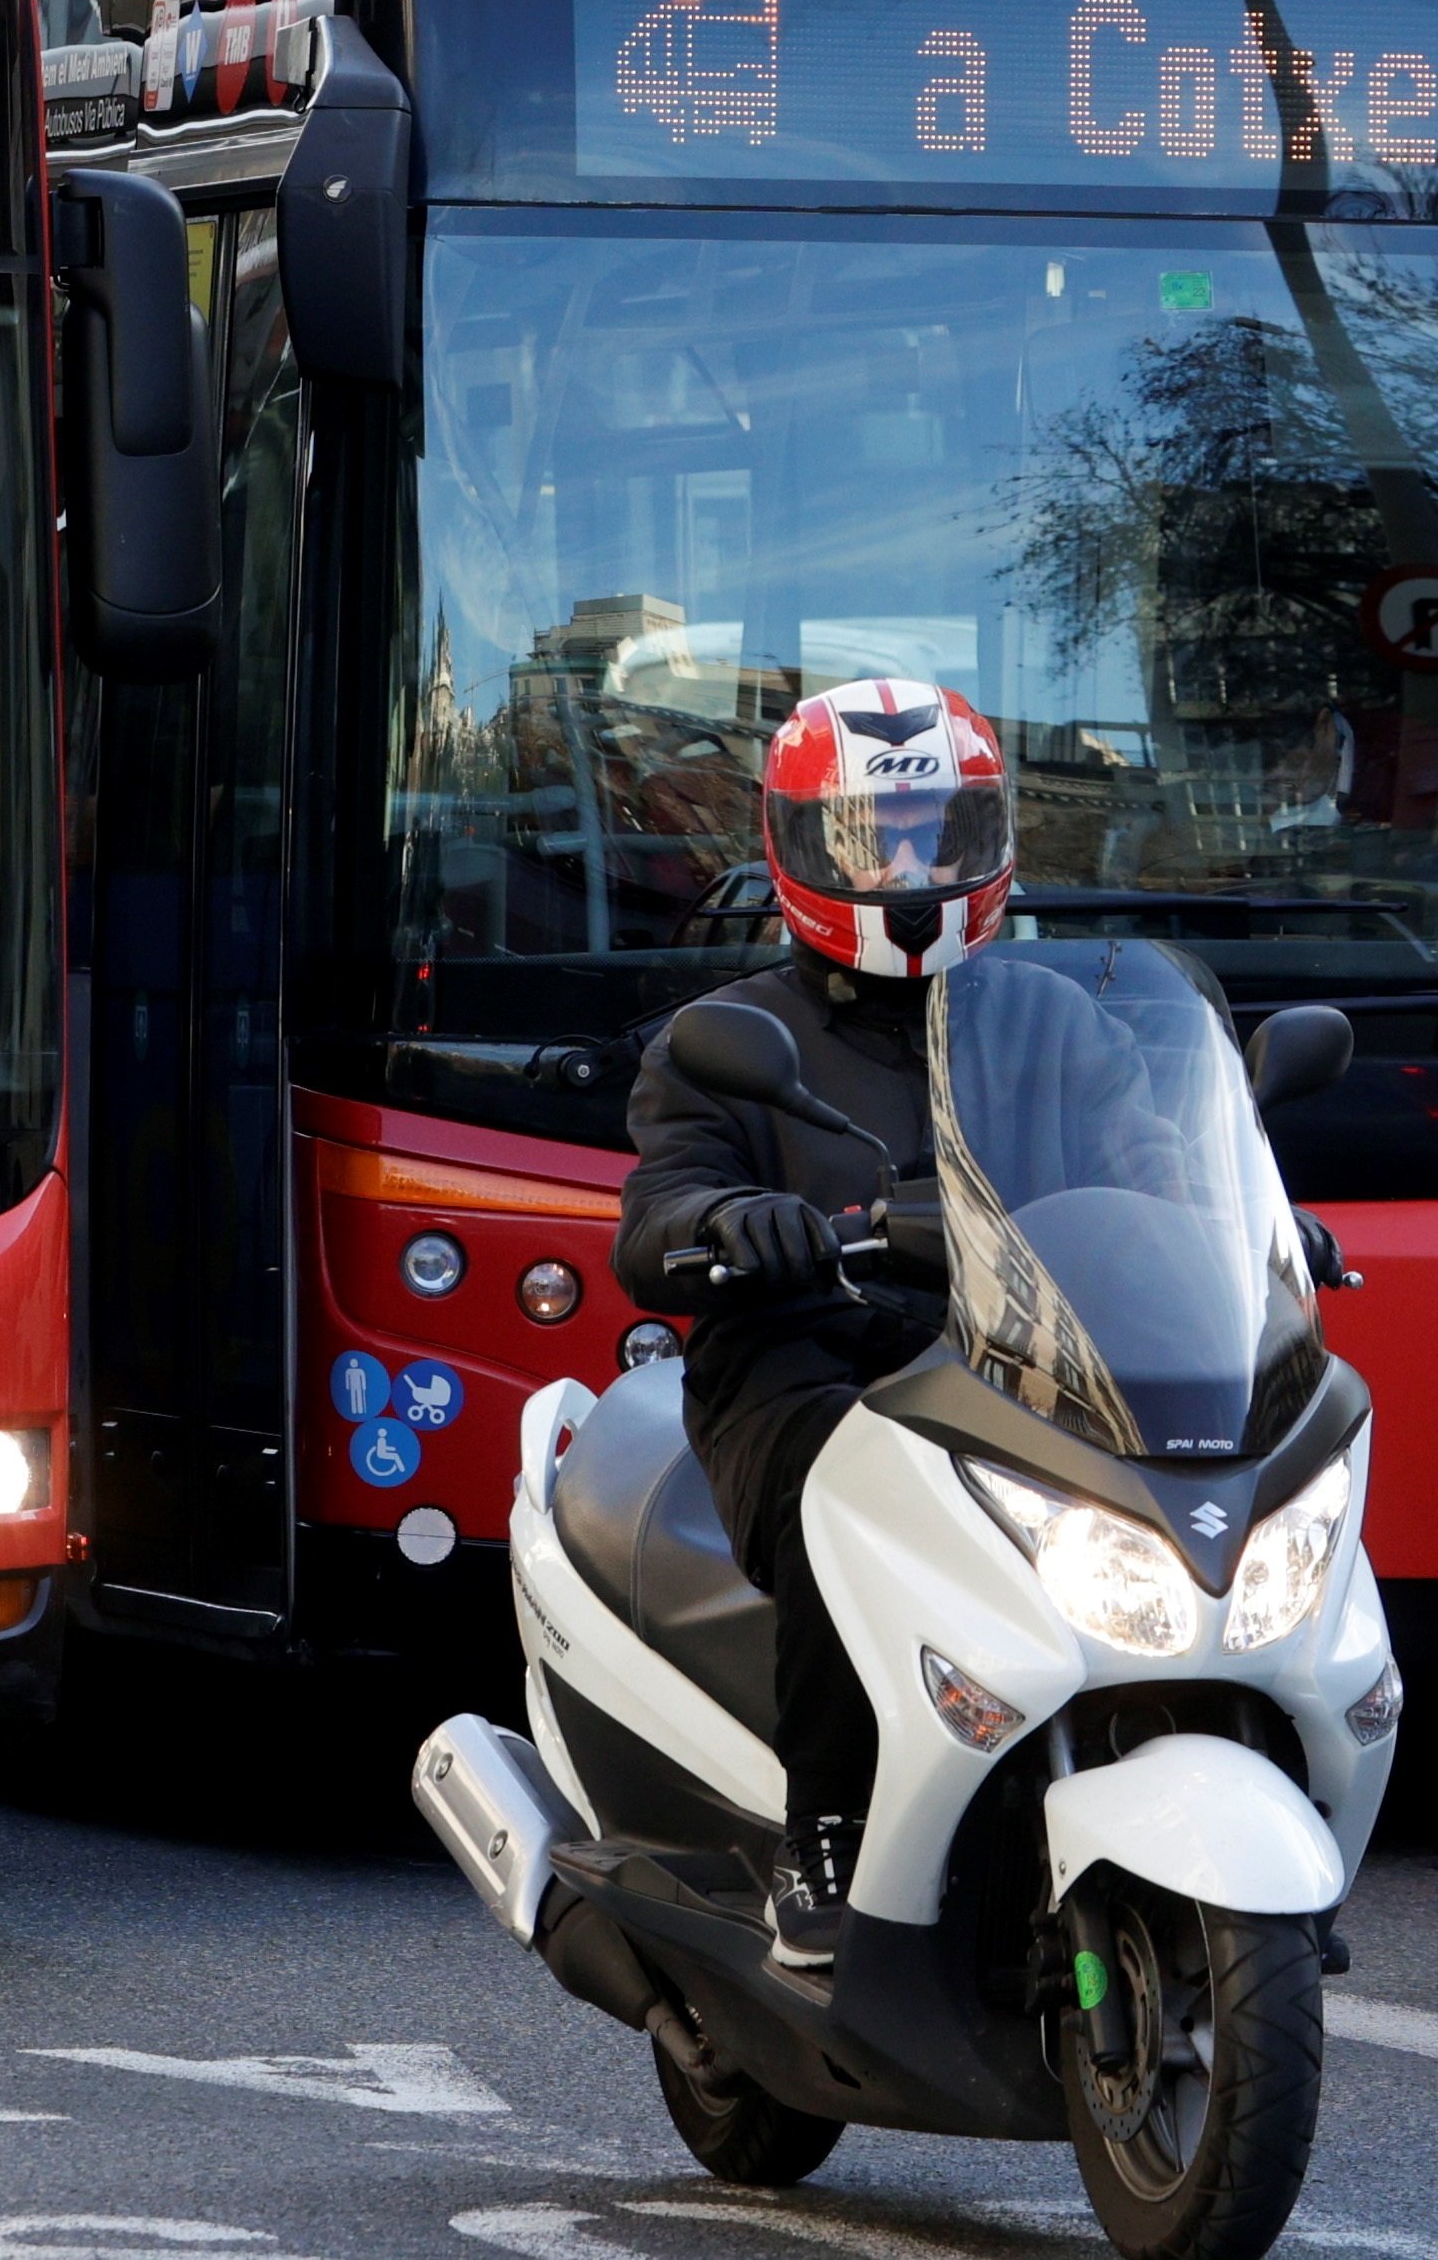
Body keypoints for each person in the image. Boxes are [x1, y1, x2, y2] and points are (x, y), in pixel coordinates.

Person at [614, 674, 1006, 1968]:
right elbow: (650, 1218)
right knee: (857, 1484)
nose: (903, 864)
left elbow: (1148, 1154)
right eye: (869, 837)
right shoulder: (722, 1037)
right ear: (797, 847)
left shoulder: (1044, 1020)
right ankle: (821, 1837)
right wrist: (731, 1219)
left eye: (933, 833)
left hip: (1007, 1367)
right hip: (798, 1375)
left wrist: (1260, 1223)